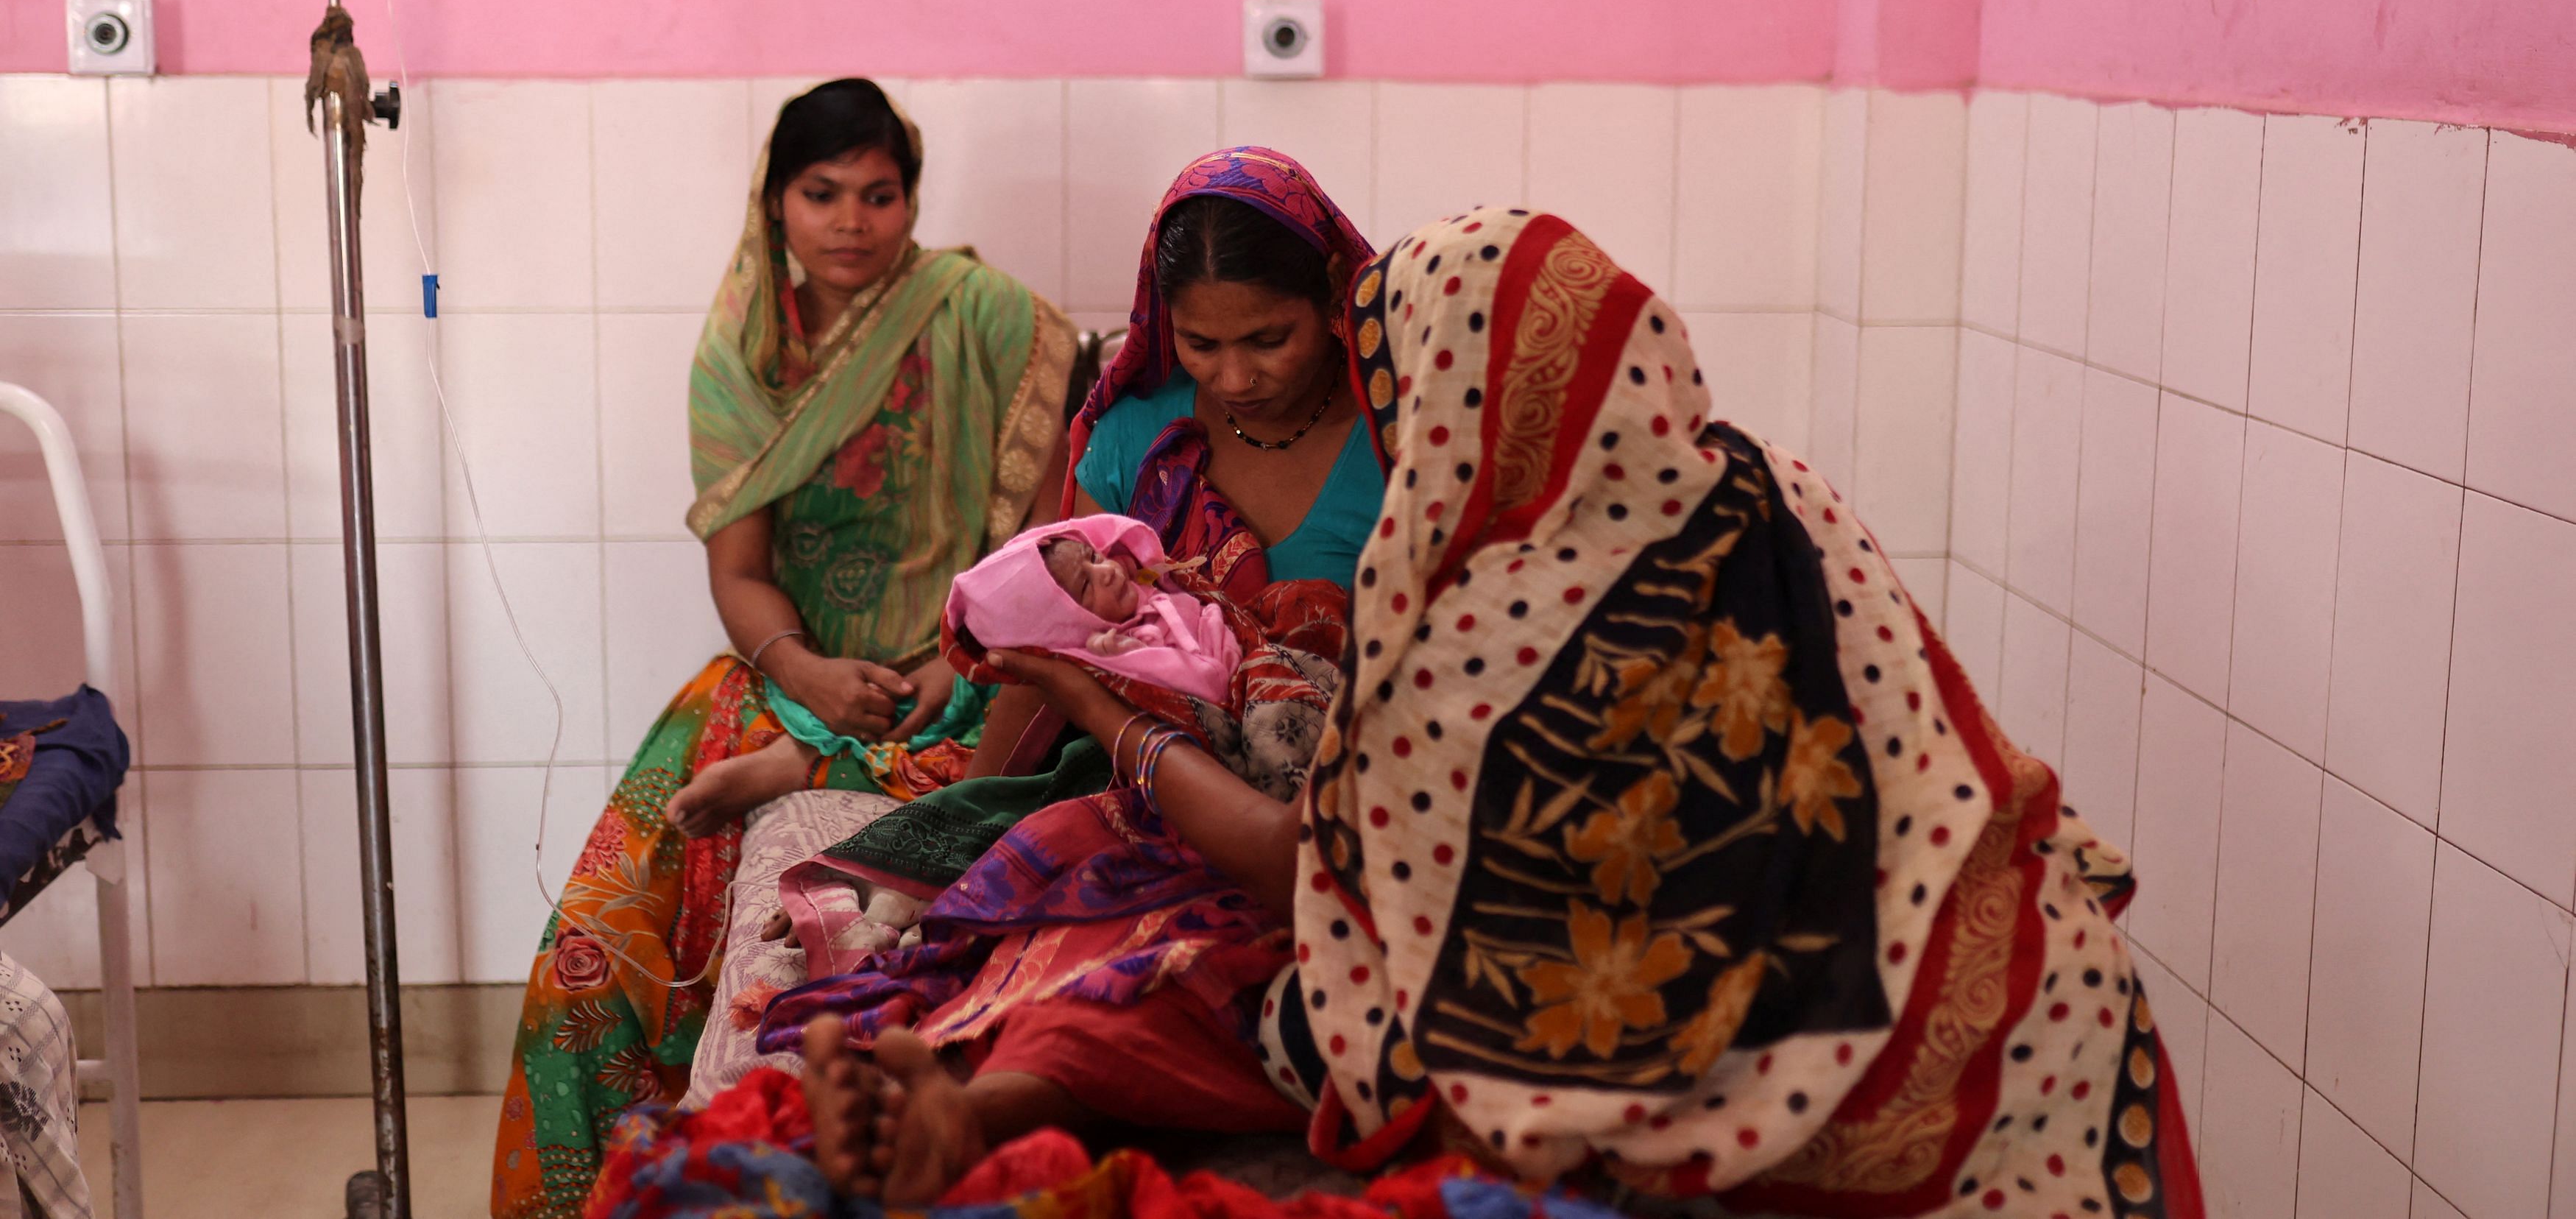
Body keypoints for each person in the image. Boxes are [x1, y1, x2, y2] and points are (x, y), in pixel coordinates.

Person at [769, 208, 2202, 1217]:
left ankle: (989, 1104)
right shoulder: (1764, 491)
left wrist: (1102, 707)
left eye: (1394, 392)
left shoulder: (1484, 628)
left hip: (1771, 1087)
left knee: (1265, 988)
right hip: (2026, 1004)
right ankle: (988, 1098)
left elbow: (1311, 868)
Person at [491, 80, 1078, 1219]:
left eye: (879, 193)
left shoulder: (987, 315)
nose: (852, 220)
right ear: (775, 203)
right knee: (593, 950)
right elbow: (740, 567)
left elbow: (1048, 533)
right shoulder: (742, 360)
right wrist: (803, 673)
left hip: (976, 662)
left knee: (1034, 764)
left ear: (910, 200)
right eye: (822, 194)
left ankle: (818, 772)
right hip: (788, 671)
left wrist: (965, 657)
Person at [793, 144, 1382, 903]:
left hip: (1326, 791)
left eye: (1268, 339)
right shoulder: (1136, 430)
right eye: (1202, 344)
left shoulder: (1398, 440)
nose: (1235, 378)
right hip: (1133, 781)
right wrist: (939, 842)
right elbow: (1055, 639)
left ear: (1333, 293)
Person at [949, 515, 1243, 705]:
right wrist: (1130, 655)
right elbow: (1213, 687)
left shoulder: (1137, 577)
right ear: (1067, 626)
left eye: (1094, 557)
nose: (1107, 572)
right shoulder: (1113, 655)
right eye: (1086, 586)